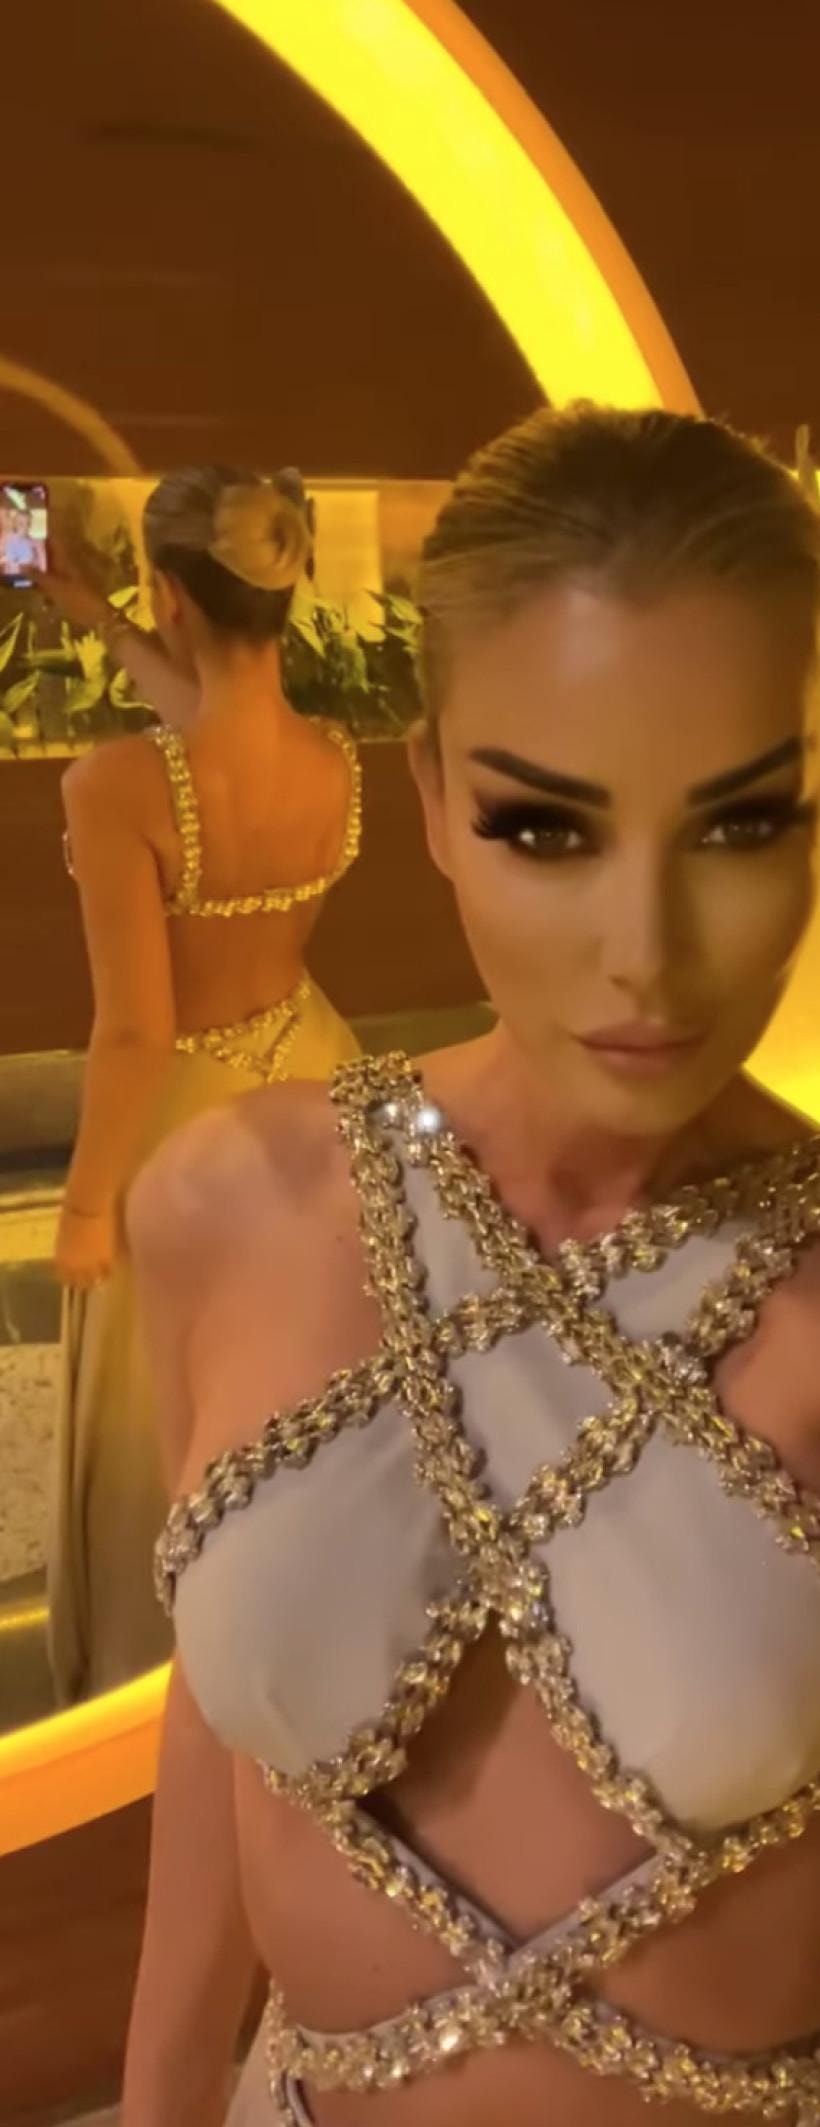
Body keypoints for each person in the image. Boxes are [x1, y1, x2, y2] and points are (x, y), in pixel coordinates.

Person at [123, 408, 820, 2127]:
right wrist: (161, 2106)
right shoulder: (226, 1210)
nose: (645, 950)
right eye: (548, 828)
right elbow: (222, 1723)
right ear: (432, 795)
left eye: (741, 824)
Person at [36, 467, 363, 1705]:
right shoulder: (332, 758)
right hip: (313, 1082)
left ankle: (156, 1682)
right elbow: (210, 728)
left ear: (172, 592)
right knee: (302, 1378)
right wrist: (97, 615)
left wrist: (85, 1206)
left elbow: (135, 1029)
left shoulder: (114, 786)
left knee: (161, 1416)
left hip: (182, 1120)